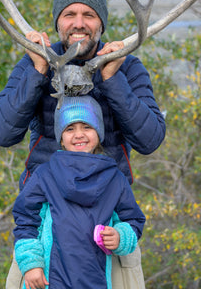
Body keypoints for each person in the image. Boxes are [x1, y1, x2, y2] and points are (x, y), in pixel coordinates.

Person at [0, 0, 166, 289]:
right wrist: (37, 71)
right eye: (69, 14)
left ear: (101, 24)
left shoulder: (127, 67)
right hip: (42, 227)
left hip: (111, 227)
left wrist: (113, 80)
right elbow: (1, 131)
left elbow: (150, 139)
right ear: (58, 23)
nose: (78, 23)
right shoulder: (36, 60)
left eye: (89, 15)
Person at [12, 95, 145, 289]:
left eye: (87, 127)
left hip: (96, 280)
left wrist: (120, 236)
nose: (79, 134)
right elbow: (26, 219)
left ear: (99, 133)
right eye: (70, 128)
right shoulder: (45, 175)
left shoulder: (115, 179)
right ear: (61, 139)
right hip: (49, 280)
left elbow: (133, 221)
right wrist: (31, 264)